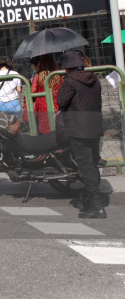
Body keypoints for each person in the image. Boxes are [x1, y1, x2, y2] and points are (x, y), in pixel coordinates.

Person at [56, 50, 106, 219]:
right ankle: (89, 199)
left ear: (67, 68)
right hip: (95, 126)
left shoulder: (70, 81)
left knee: (85, 167)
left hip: (78, 128)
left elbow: (61, 102)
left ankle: (97, 206)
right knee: (92, 163)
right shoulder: (94, 79)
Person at [31, 54, 61, 135]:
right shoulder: (59, 76)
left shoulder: (37, 77)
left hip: (42, 108)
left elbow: (32, 92)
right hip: (56, 106)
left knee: (44, 130)